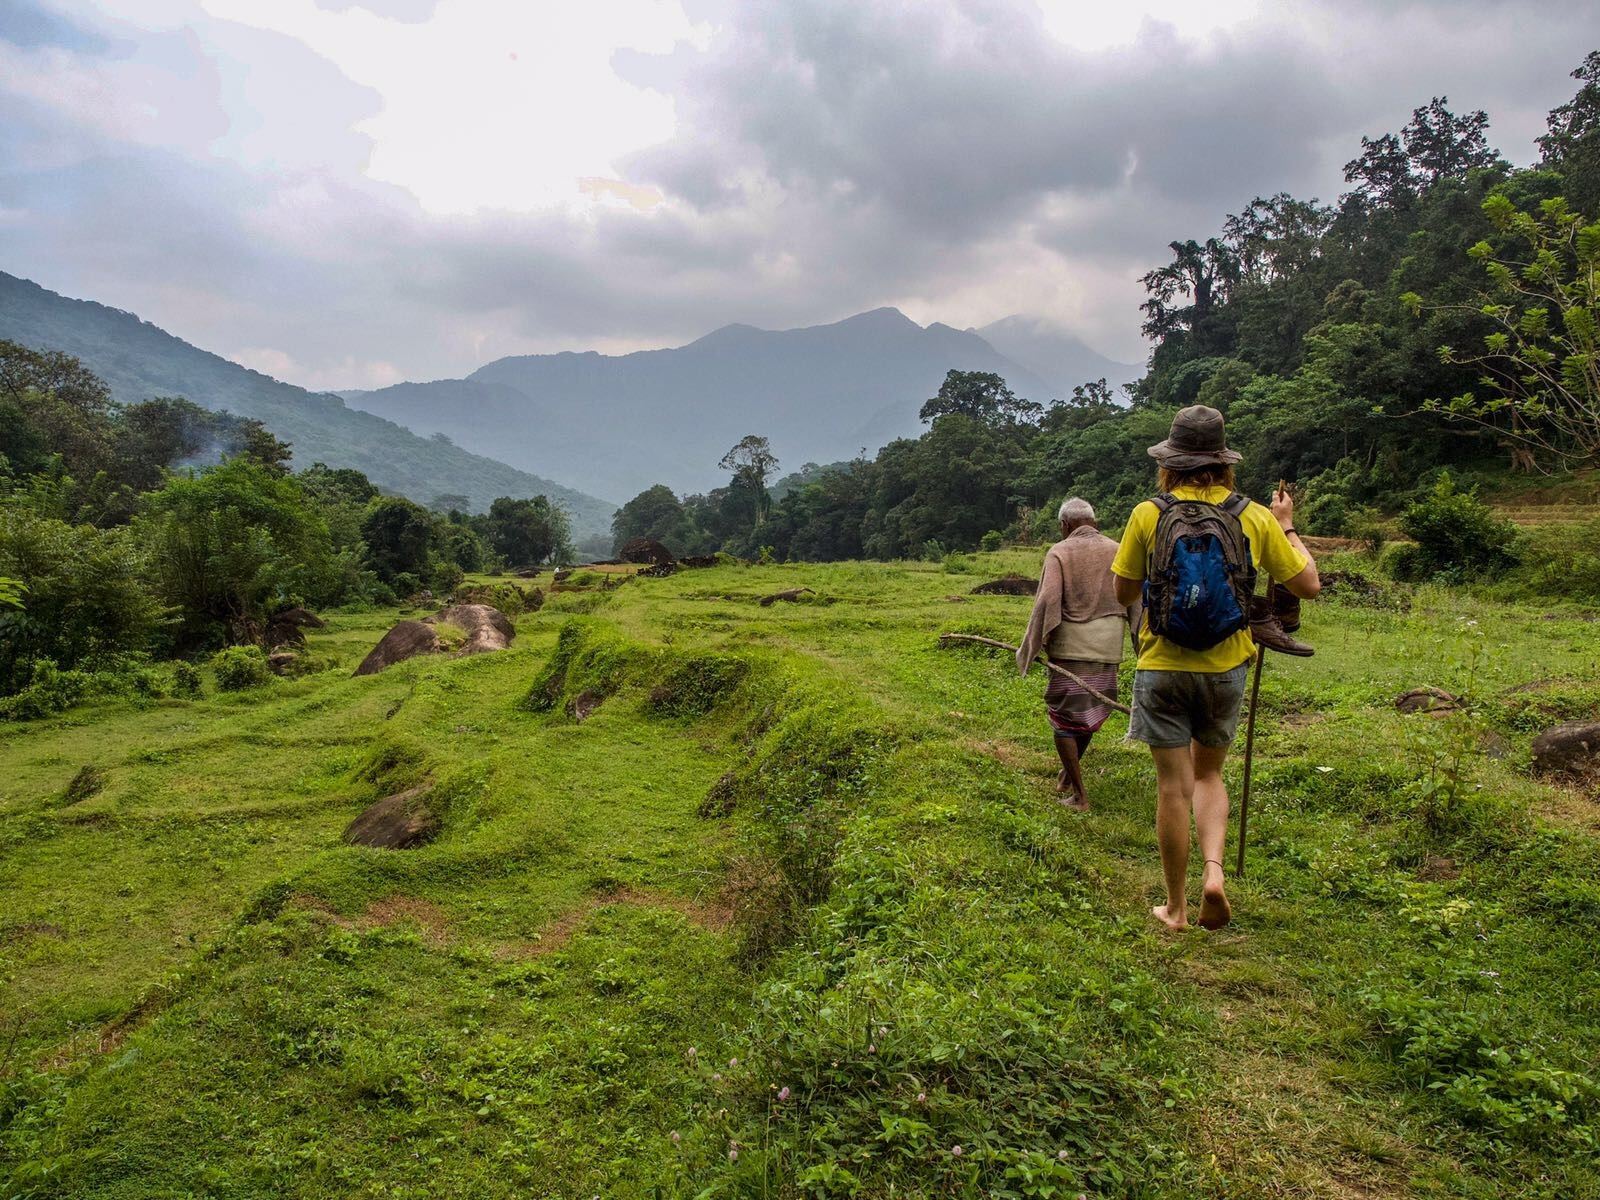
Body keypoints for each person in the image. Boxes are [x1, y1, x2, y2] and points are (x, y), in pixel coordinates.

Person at [1111, 405, 1320, 932]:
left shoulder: (1148, 513)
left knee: (1171, 788)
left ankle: (1176, 908)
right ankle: (1214, 874)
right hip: (1226, 666)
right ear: (1223, 461)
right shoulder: (1251, 514)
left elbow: (1122, 592)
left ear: (1170, 462)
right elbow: (1307, 585)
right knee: (1209, 775)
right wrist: (1288, 525)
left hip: (1161, 665)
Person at [1017, 497, 1141, 811]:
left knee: (1063, 720)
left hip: (1070, 649)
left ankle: (1080, 796)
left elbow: (1047, 601)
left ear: (1066, 525)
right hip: (1109, 648)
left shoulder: (1060, 551)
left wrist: (1033, 644)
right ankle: (1066, 776)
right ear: (1092, 521)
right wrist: (1140, 642)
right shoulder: (1117, 549)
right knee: (1087, 714)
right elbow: (1137, 600)